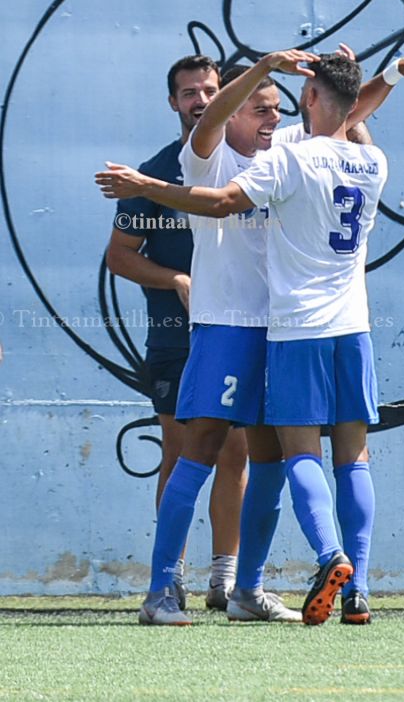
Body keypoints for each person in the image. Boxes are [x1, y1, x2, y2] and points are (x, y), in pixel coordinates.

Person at [96, 51, 404, 626]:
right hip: (226, 327)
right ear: (233, 109)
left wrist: (384, 77)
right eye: (259, 108)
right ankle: (161, 591)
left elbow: (341, 114)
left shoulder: (286, 151)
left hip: (283, 330)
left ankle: (246, 589)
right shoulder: (205, 158)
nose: (271, 117)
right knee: (199, 452)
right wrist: (263, 69)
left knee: (267, 461)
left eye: (278, 108)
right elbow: (215, 122)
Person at [105, 54, 249, 610]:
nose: (201, 100)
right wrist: (177, 279)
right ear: (173, 102)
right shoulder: (153, 173)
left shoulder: (247, 167)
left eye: (210, 90)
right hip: (175, 337)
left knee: (237, 450)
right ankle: (172, 576)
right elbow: (120, 256)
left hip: (236, 331)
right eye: (189, 92)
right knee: (183, 450)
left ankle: (226, 579)